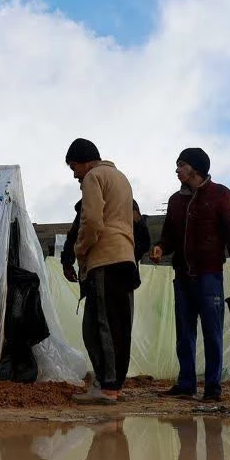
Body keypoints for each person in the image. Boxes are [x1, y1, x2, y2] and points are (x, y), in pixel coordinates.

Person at [150, 148, 230, 402]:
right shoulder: (175, 200)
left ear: (195, 168)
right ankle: (186, 385)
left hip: (209, 274)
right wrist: (161, 247)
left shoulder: (220, 194)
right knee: (184, 333)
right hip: (182, 274)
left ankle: (213, 388)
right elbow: (169, 235)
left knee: (212, 332)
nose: (177, 170)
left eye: (181, 165)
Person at [65, 137, 138, 405]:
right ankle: (114, 385)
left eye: (74, 167)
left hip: (105, 259)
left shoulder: (93, 177)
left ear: (84, 161)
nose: (75, 174)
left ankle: (106, 387)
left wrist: (80, 249)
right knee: (120, 325)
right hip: (126, 258)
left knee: (101, 326)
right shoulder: (121, 178)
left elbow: (93, 220)